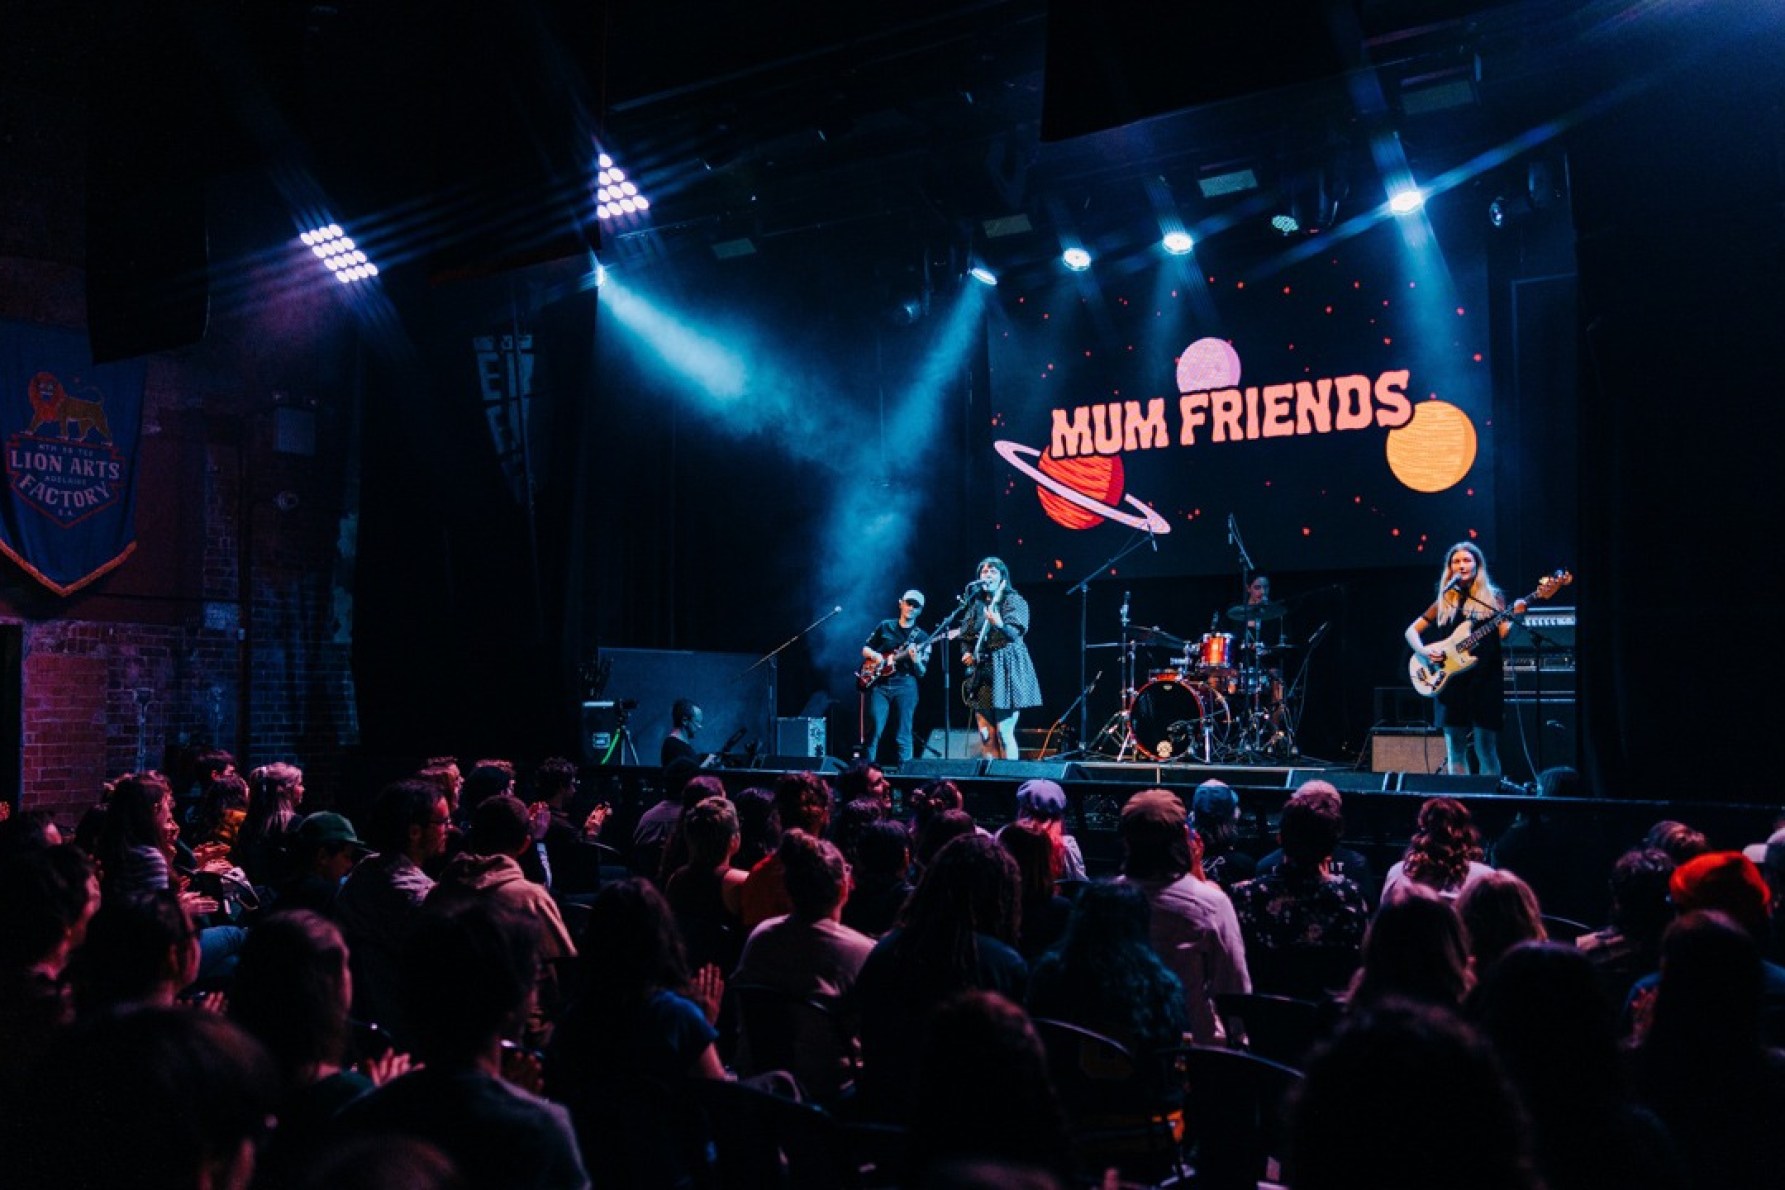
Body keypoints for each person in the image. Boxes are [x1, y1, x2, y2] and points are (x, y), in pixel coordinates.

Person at [1403, 541, 1526, 777]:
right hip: (1450, 682)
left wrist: (1518, 617)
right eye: (1456, 561)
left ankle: (1491, 803)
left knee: (1486, 748)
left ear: (1477, 565)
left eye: (1467, 560)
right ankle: (1460, 803)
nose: (1461, 565)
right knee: (1455, 749)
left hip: (1485, 680)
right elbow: (1411, 631)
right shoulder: (1445, 601)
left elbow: (1506, 636)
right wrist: (1424, 651)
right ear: (1449, 568)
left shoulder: (1493, 599)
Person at [959, 556, 1042, 760]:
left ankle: (1009, 781)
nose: (987, 574)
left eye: (992, 571)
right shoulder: (976, 606)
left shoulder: (1014, 600)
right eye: (984, 571)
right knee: (986, 736)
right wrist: (966, 652)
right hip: (983, 671)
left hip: (1006, 668)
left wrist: (1000, 624)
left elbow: (1015, 633)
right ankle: (991, 785)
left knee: (1004, 733)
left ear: (1002, 577)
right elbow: (965, 636)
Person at [861, 588, 930, 765]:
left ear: (920, 610)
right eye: (909, 603)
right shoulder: (885, 626)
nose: (911, 608)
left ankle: (907, 777)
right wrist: (877, 656)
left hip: (906, 684)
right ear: (901, 603)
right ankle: (866, 774)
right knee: (874, 729)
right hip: (880, 684)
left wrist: (915, 660)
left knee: (903, 733)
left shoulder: (922, 637)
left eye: (916, 606)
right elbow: (865, 649)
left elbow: (922, 672)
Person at [660, 698, 703, 766]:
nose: (700, 727)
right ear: (684, 721)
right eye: (697, 722)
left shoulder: (679, 744)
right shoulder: (673, 746)